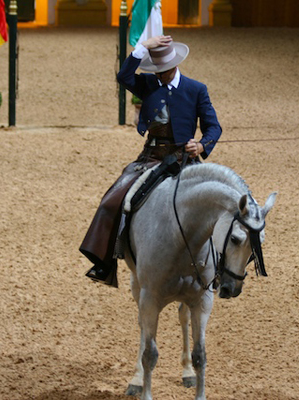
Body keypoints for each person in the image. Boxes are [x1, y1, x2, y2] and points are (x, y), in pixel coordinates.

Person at [79, 35, 222, 287]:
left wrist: (201, 144)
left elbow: (214, 127)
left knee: (216, 205)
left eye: (163, 72)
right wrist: (141, 48)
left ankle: (219, 267)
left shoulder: (196, 89)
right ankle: (105, 262)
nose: (160, 76)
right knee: (111, 201)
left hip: (183, 160)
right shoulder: (147, 83)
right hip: (150, 157)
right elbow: (123, 76)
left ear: (175, 67)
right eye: (156, 71)